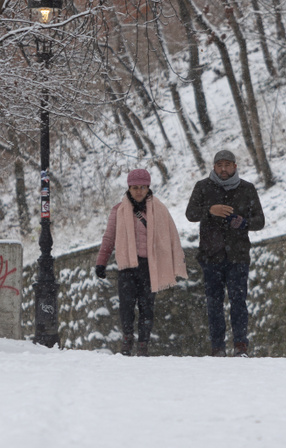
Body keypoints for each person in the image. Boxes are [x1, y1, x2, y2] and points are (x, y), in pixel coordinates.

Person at [95, 169, 187, 356]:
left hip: (149, 266)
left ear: (148, 187)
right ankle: (128, 338)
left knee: (147, 306)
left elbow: (171, 236)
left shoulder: (159, 210)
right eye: (135, 187)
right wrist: (101, 262)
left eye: (142, 187)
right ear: (129, 188)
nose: (138, 191)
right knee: (126, 305)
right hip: (127, 267)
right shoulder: (118, 210)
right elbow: (109, 237)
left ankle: (143, 343)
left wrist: (174, 261)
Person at [185, 150, 265, 356]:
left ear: (235, 167)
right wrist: (210, 211)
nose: (223, 169)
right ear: (213, 167)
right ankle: (218, 347)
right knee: (214, 303)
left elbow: (260, 221)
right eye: (219, 165)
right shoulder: (202, 187)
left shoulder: (247, 188)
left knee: (239, 302)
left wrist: (244, 222)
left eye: (227, 165)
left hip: (238, 256)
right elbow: (191, 214)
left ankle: (240, 345)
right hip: (210, 256)